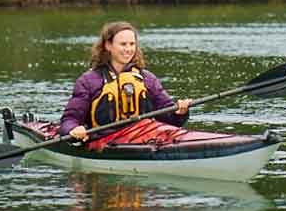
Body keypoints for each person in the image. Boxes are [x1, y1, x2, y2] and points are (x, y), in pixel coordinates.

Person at [57, 21, 191, 142]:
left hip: (144, 136)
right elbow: (69, 120)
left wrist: (180, 112)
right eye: (123, 44)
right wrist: (73, 130)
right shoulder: (88, 81)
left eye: (132, 44)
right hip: (103, 141)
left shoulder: (147, 79)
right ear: (108, 45)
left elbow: (170, 118)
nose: (128, 49)